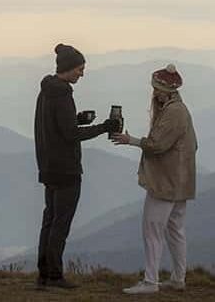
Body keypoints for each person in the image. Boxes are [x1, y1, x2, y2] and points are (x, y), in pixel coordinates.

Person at [34, 43, 121, 290]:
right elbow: (71, 135)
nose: (82, 74)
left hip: (48, 167)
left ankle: (43, 275)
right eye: (80, 69)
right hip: (66, 170)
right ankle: (55, 275)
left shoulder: (47, 91)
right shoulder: (62, 93)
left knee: (49, 221)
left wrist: (79, 119)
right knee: (60, 224)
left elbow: (56, 127)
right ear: (69, 68)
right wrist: (105, 126)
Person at [112, 64, 198, 295]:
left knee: (152, 230)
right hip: (181, 181)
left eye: (157, 89)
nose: (154, 93)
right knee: (175, 229)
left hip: (166, 182)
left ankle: (151, 281)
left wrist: (131, 140)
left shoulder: (173, 112)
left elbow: (157, 144)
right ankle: (178, 278)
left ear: (165, 91)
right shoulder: (180, 111)